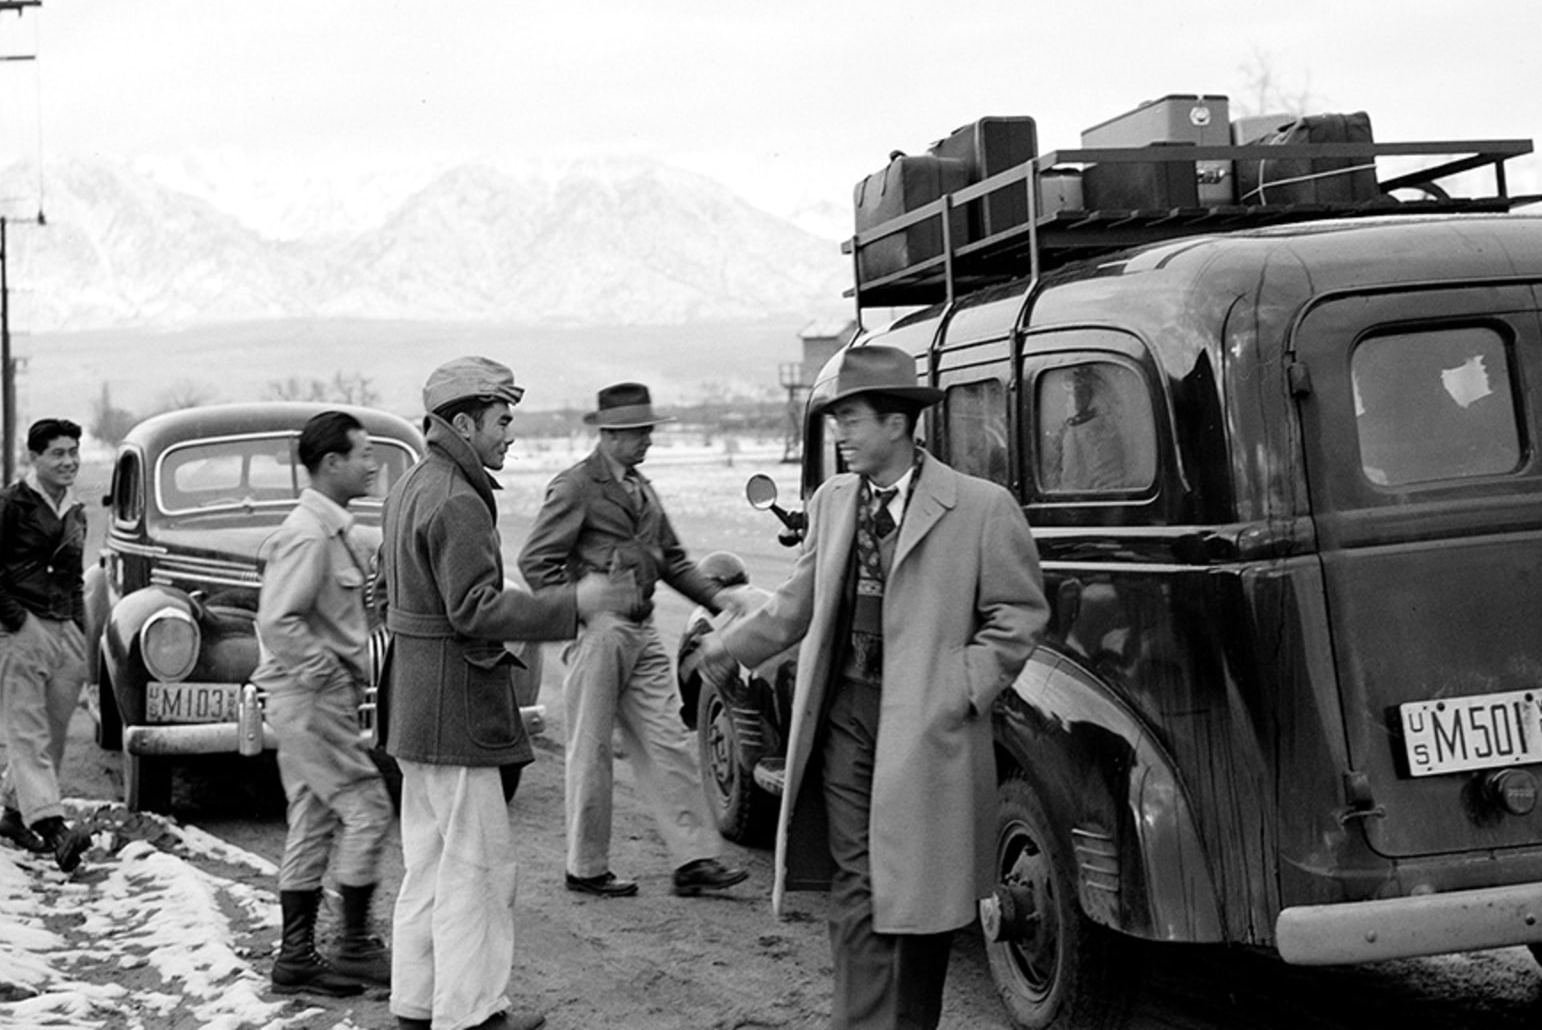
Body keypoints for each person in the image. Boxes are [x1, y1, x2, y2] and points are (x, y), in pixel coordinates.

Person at [695, 347, 1049, 1029]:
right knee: (856, 887)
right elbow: (794, 606)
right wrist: (727, 647)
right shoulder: (831, 503)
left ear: (897, 423)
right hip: (848, 716)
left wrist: (959, 687)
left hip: (929, 726)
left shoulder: (979, 508)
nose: (842, 434)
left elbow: (1019, 615)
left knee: (919, 897)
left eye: (853, 420)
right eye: (837, 422)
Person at [379, 356, 635, 1030]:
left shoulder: (412, 485)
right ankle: (470, 1014)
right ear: (463, 423)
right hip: (457, 710)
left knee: (428, 867)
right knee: (479, 871)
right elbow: (475, 610)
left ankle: (416, 1002)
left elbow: (394, 595)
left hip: (415, 706)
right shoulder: (457, 498)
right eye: (502, 421)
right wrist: (570, 602)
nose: (510, 434)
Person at [517, 382, 749, 900]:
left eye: (647, 430)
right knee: (591, 749)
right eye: (635, 431)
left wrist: (720, 601)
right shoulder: (576, 486)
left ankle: (694, 861)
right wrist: (579, 604)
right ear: (609, 434)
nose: (646, 439)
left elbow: (673, 559)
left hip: (641, 630)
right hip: (600, 632)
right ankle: (585, 867)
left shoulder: (641, 488)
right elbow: (536, 561)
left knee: (668, 742)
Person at [252, 410, 396, 997]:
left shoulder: (335, 530)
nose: (372, 464)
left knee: (313, 819)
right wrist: (323, 676)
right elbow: (277, 619)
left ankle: (296, 959)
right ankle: (355, 947)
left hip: (312, 697)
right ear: (331, 463)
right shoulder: (309, 534)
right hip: (311, 696)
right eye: (362, 454)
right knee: (368, 808)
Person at [0, 417, 95, 874]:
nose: (69, 461)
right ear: (33, 457)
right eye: (57, 453)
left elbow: (77, 580)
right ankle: (55, 830)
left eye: (73, 452)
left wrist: (80, 630)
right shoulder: (5, 507)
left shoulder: (75, 510)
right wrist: (20, 621)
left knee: (53, 736)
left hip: (64, 633)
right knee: (29, 736)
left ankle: (13, 816)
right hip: (18, 630)